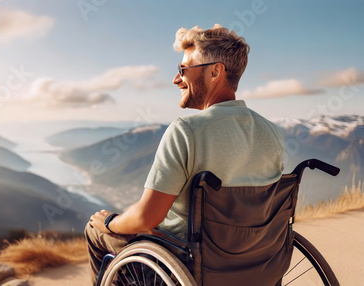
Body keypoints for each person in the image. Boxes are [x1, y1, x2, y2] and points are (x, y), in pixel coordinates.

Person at [84, 24, 285, 285]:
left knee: (94, 229)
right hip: (260, 263)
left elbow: (147, 218)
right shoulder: (273, 133)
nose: (175, 79)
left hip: (189, 264)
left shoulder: (187, 131)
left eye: (183, 69)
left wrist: (109, 223)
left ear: (215, 71)